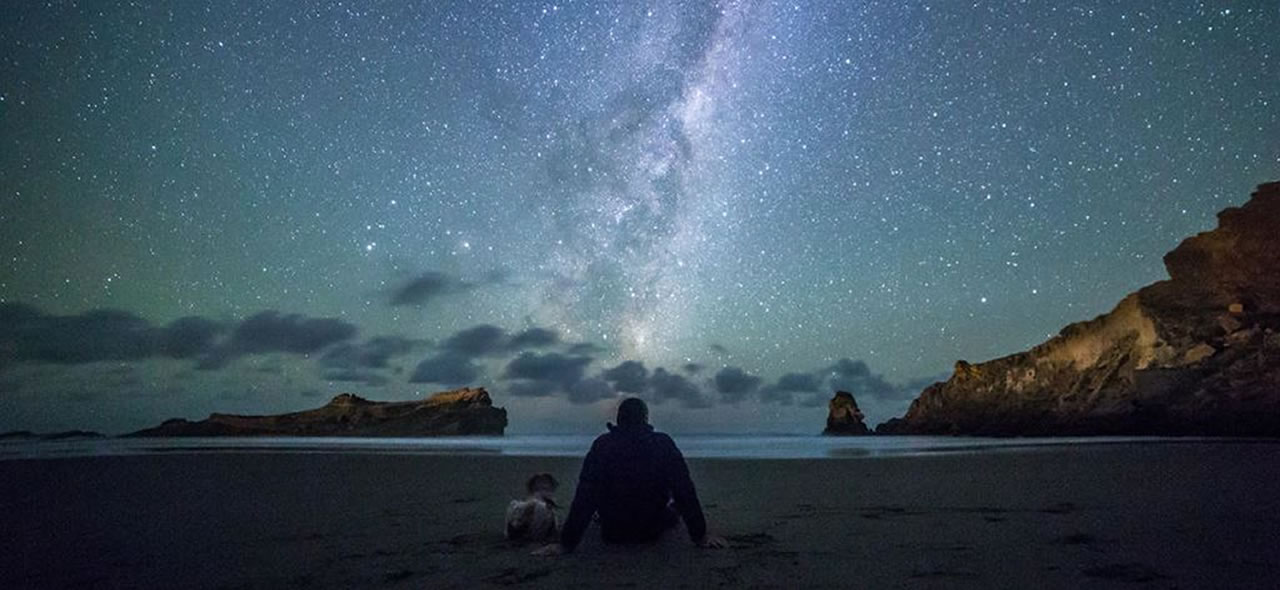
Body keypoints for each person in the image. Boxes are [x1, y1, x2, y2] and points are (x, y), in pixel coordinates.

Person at [533, 398, 728, 555]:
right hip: (651, 528)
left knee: (599, 498)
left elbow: (586, 496)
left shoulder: (603, 445)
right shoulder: (663, 444)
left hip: (613, 530)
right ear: (645, 418)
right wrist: (700, 536)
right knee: (674, 504)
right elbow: (683, 490)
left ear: (619, 419)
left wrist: (567, 543)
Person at [504, 472, 559, 543]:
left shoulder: (550, 511)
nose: (545, 492)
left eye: (547, 489)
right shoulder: (517, 506)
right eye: (541, 489)